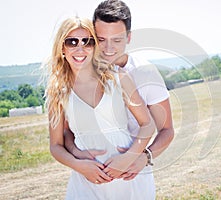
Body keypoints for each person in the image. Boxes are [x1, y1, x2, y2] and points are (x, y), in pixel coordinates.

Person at [45, 16, 156, 199]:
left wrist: (128, 158)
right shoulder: (58, 93)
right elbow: (56, 146)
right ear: (62, 48)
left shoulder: (117, 78)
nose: (80, 48)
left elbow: (148, 124)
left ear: (94, 46)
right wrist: (79, 165)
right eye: (72, 42)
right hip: (87, 182)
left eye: (87, 42)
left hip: (128, 178)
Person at [65, 0, 174, 182]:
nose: (108, 49)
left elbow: (167, 130)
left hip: (132, 175)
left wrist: (144, 157)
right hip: (91, 177)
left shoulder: (145, 73)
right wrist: (77, 157)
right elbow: (66, 133)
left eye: (117, 40)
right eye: (101, 40)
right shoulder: (79, 72)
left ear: (129, 38)